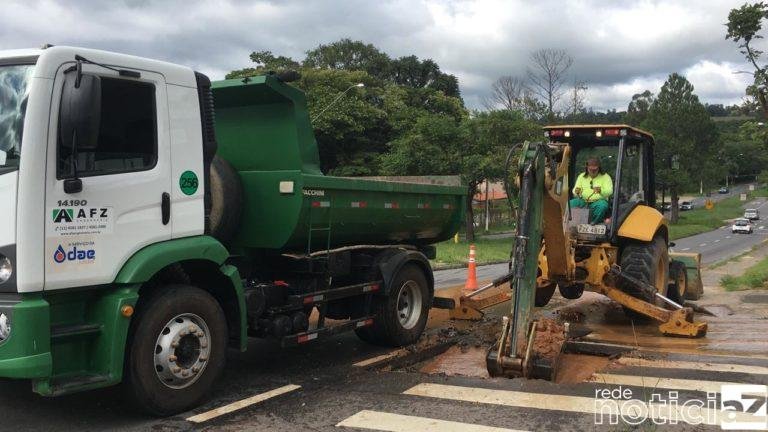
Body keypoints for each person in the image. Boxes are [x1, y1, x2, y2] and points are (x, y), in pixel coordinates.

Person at [570, 157, 613, 224]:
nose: (593, 171)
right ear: (587, 168)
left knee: (602, 205)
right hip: (583, 201)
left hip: (598, 202)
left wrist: (601, 191)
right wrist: (576, 191)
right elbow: (575, 190)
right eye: (591, 169)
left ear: (599, 168)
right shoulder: (581, 176)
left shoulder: (606, 177)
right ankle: (572, 223)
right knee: (571, 203)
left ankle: (594, 223)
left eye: (595, 169)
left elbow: (609, 191)